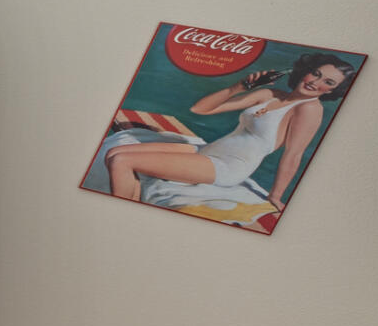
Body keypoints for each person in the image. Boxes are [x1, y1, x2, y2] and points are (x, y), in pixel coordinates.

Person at [107, 52, 355, 212]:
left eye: (328, 83)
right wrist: (239, 86)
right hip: (206, 152)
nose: (315, 82)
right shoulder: (270, 94)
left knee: (122, 160)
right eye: (317, 73)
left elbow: (293, 155)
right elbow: (200, 109)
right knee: (114, 152)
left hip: (227, 167)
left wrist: (276, 196)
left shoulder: (309, 109)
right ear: (307, 70)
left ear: (332, 91)